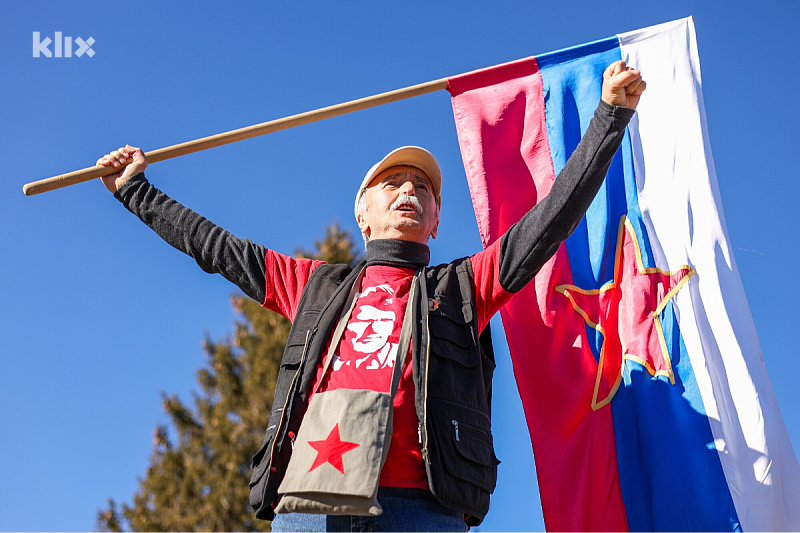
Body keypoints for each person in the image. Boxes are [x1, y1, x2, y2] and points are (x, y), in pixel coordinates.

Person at [98, 60, 645, 532]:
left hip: (425, 507)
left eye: (424, 189)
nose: (410, 191)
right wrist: (136, 191)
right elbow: (217, 248)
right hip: (311, 502)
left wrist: (608, 118)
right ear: (363, 213)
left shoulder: (462, 286)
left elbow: (548, 222)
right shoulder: (313, 284)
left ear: (435, 222)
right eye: (394, 184)